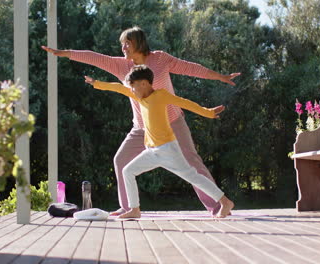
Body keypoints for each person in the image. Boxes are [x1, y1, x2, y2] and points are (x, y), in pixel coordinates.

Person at [42, 26, 240, 216]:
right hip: (142, 128)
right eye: (122, 44)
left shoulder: (160, 59)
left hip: (173, 123)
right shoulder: (121, 65)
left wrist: (220, 77)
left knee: (193, 163)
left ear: (139, 43)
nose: (123, 47)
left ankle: (218, 206)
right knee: (121, 160)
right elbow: (94, 57)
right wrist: (64, 52)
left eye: (128, 43)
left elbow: (190, 68)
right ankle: (128, 208)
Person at [84, 65, 234, 218]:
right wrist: (96, 83)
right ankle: (134, 210)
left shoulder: (161, 95)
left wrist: (208, 113)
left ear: (144, 83)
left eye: (133, 86)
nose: (131, 90)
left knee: (193, 177)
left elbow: (185, 103)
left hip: (168, 149)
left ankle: (225, 201)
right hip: (152, 151)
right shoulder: (138, 96)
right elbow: (117, 88)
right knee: (127, 171)